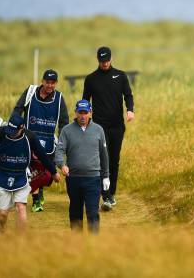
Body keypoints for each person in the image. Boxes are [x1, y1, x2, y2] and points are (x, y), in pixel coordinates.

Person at [0, 113, 60, 231]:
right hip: (2, 176)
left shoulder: (30, 137)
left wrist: (53, 172)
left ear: (21, 128)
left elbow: (42, 156)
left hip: (21, 177)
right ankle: (1, 227)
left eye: (13, 131)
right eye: (9, 129)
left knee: (21, 207)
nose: (9, 133)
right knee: (3, 214)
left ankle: (20, 241)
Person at [82, 46, 134, 211]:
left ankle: (111, 193)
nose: (104, 64)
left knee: (114, 161)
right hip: (99, 127)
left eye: (107, 61)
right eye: (102, 61)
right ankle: (104, 195)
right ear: (98, 60)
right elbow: (85, 101)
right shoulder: (91, 79)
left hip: (117, 126)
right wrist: (84, 120)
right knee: (103, 160)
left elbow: (128, 95)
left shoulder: (120, 76)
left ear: (111, 59)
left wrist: (130, 110)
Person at [13, 68, 69, 212]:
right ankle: (36, 200)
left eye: (53, 83)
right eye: (47, 82)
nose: (50, 85)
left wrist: (62, 140)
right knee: (30, 170)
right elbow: (18, 109)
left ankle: (39, 193)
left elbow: (63, 121)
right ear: (42, 81)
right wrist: (14, 127)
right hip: (28, 138)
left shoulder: (59, 98)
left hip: (48, 140)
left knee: (45, 172)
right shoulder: (31, 92)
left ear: (56, 83)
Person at [55, 100, 110, 234]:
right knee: (75, 211)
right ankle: (77, 243)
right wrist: (62, 165)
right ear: (76, 113)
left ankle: (93, 243)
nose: (83, 116)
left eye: (85, 113)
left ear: (90, 113)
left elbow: (104, 155)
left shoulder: (98, 130)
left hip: (93, 178)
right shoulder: (67, 130)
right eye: (80, 113)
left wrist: (106, 176)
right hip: (73, 178)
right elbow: (60, 150)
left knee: (92, 212)